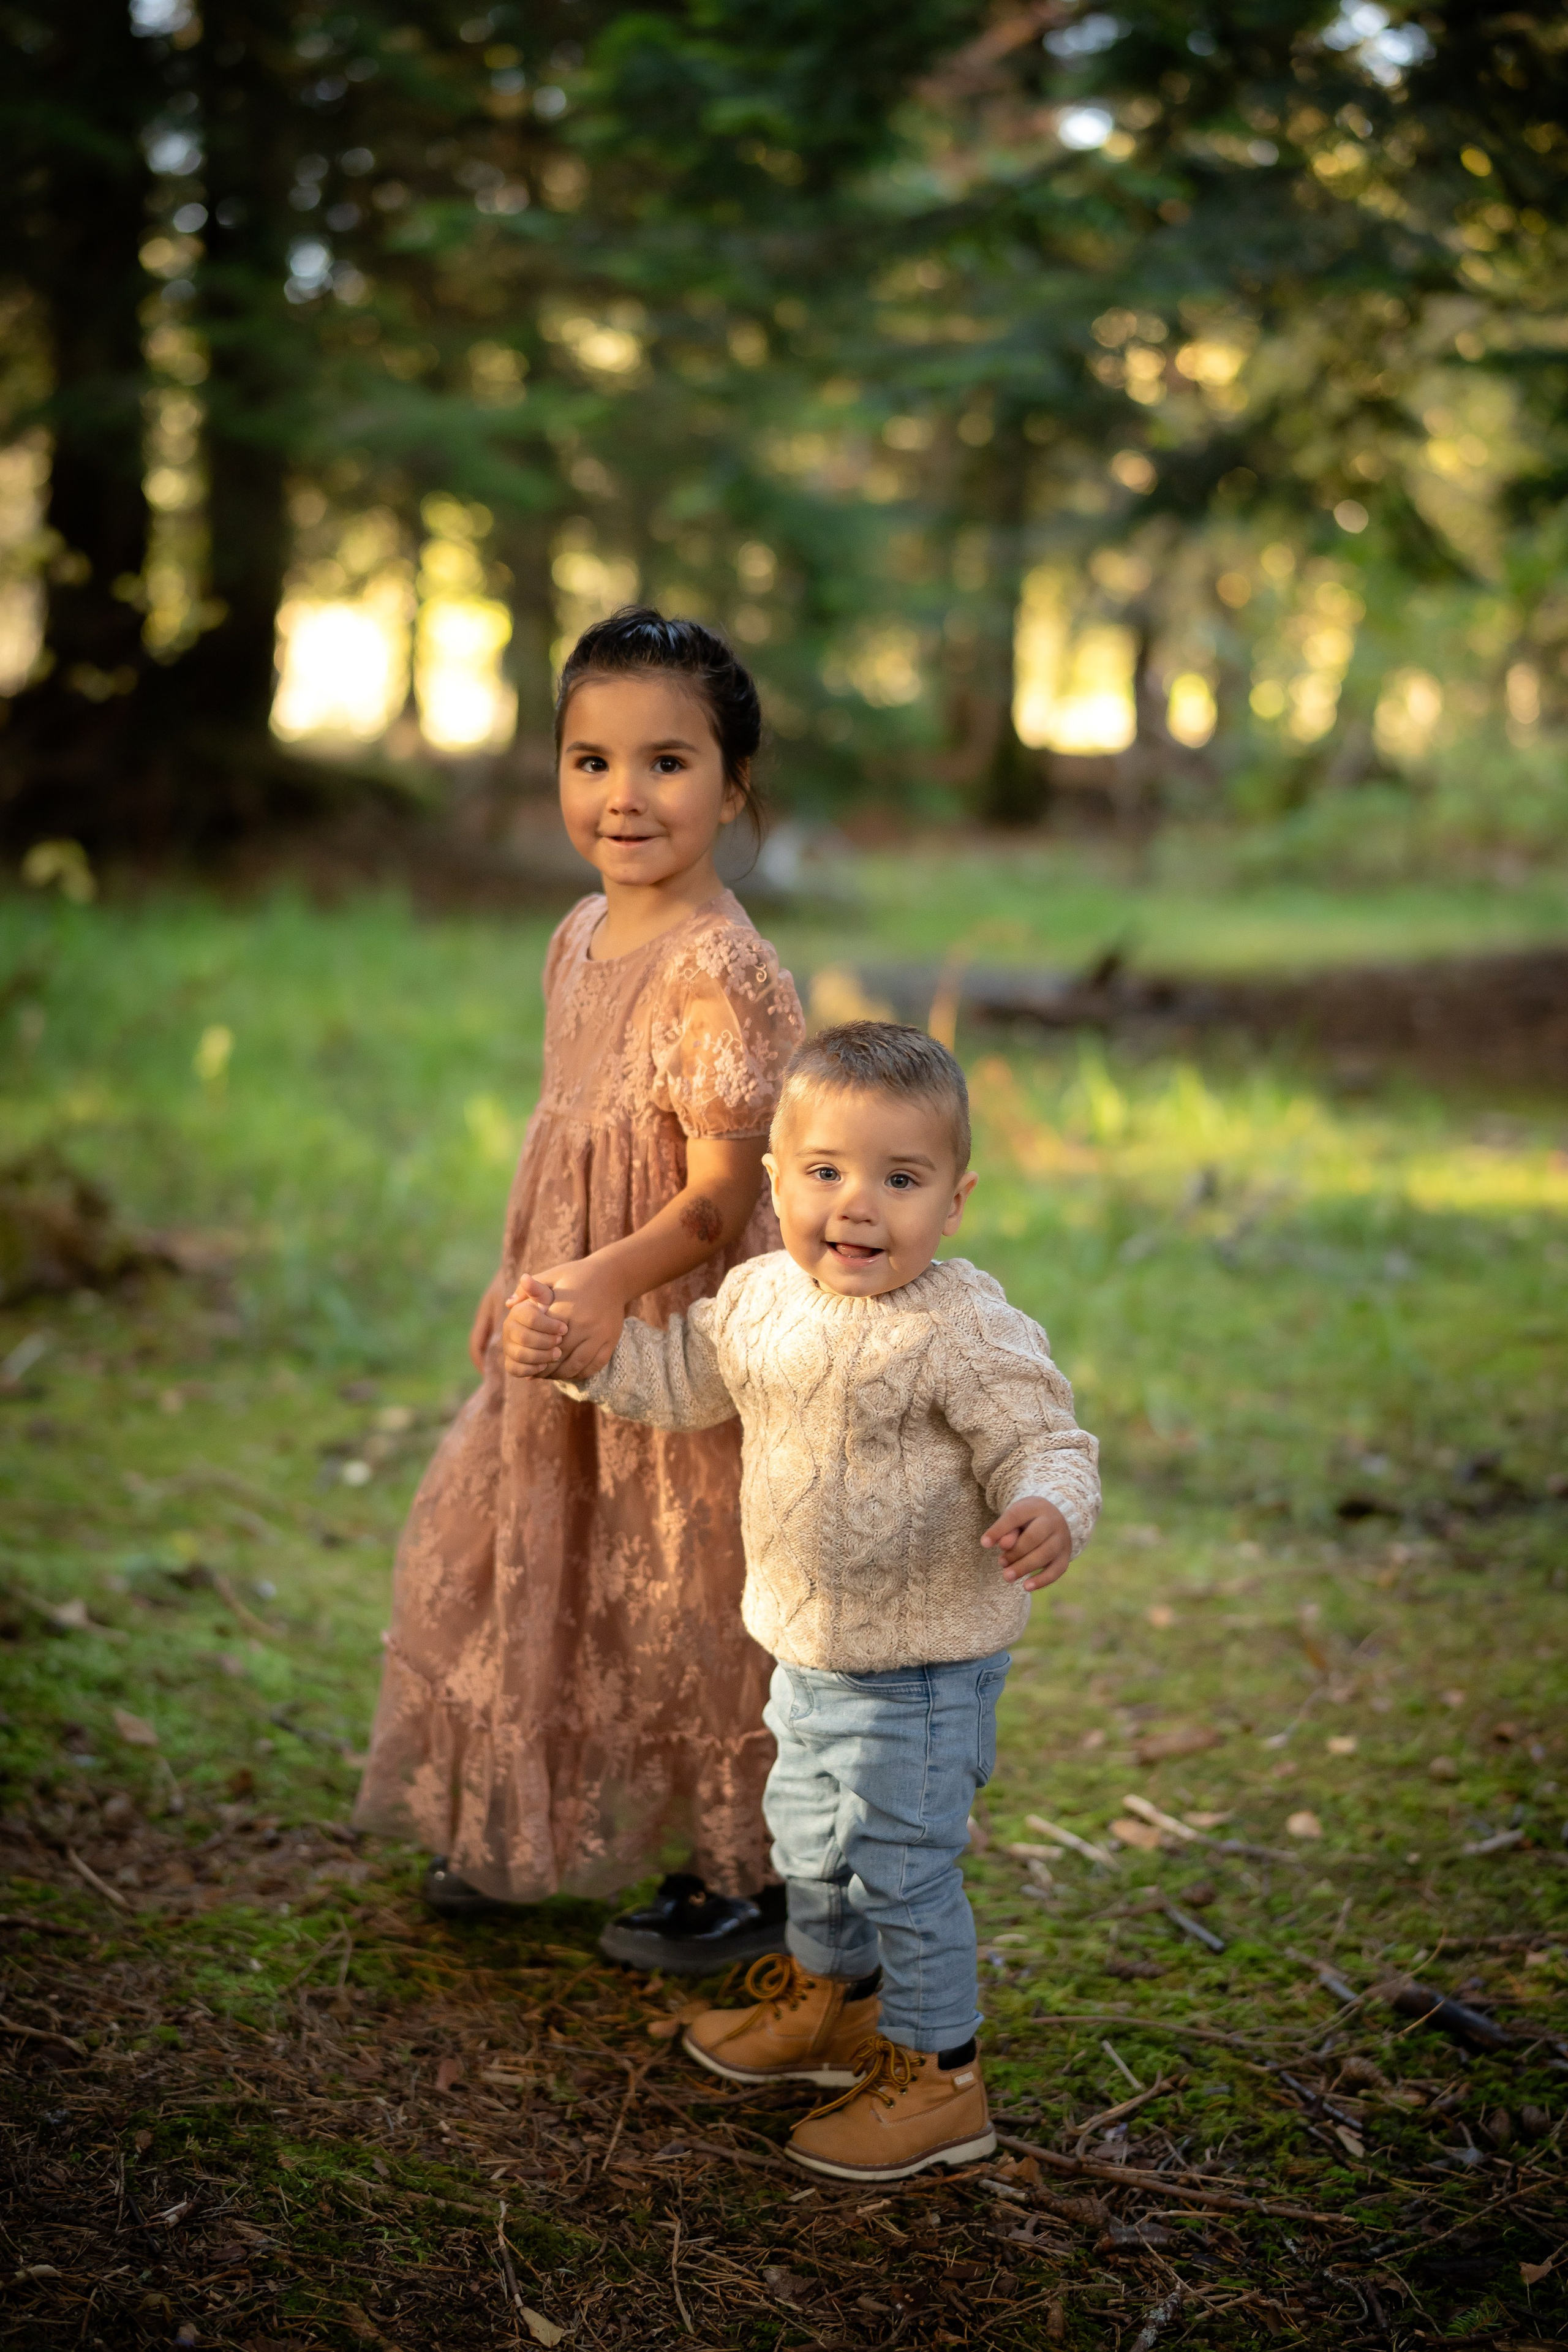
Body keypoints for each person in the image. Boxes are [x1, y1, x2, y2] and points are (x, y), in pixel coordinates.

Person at [507, 1020, 1100, 2179]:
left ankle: (940, 2077)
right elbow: (676, 1382)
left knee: (905, 1868)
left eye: (902, 1178)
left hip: (925, 1671)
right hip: (808, 1654)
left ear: (956, 1200)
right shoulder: (760, 1299)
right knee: (812, 1852)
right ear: (775, 1180)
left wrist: (1049, 1504)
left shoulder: (964, 1327)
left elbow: (1047, 1435)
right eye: (826, 1172)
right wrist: (586, 1353)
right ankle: (835, 2006)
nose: (858, 1206)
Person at [353, 608, 804, 1974]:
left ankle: (742, 1872)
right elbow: (563, 1135)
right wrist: (517, 1274)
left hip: (679, 1328)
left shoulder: (723, 973)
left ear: (731, 789)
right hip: (570, 1312)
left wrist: (603, 1282)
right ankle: (520, 1815)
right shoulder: (575, 937)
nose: (623, 796)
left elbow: (722, 1201)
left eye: (667, 763)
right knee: (530, 1550)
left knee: (684, 1585)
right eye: (589, 760)